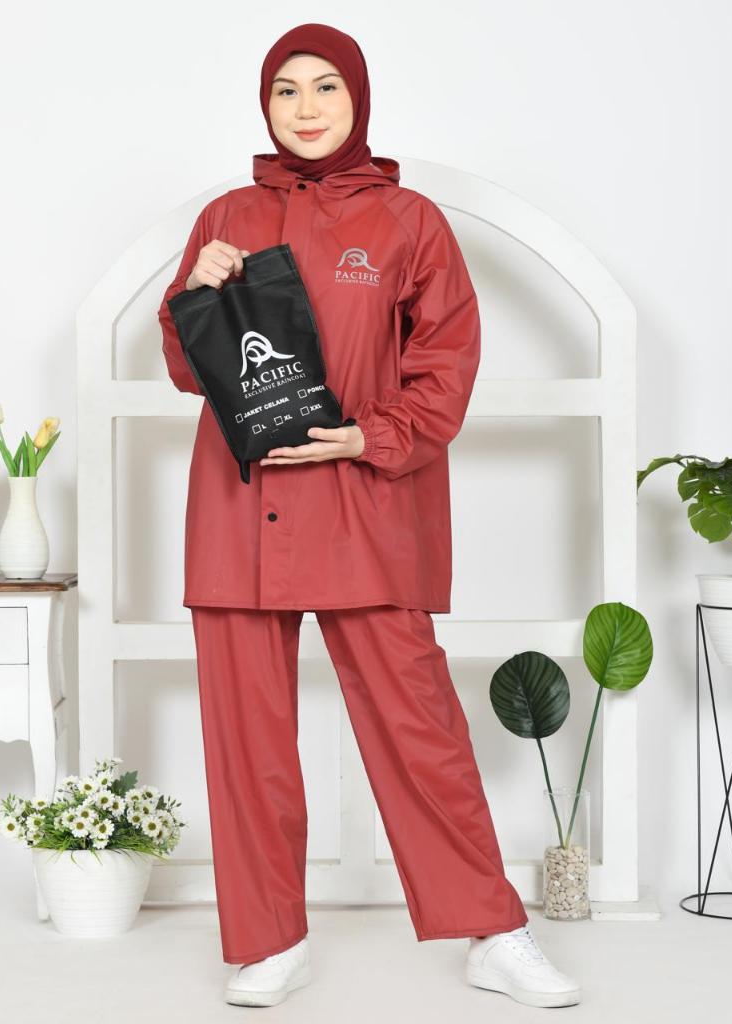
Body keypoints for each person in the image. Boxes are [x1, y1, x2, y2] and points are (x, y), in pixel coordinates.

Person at [158, 22, 582, 1010]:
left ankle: (493, 933)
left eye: (326, 88)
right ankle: (268, 944)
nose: (305, 109)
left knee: (418, 728)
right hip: (240, 510)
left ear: (358, 99)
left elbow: (446, 365)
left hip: (365, 505)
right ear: (264, 105)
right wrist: (194, 293)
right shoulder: (226, 214)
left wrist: (365, 436)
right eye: (286, 90)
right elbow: (186, 367)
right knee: (248, 742)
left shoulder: (408, 222)